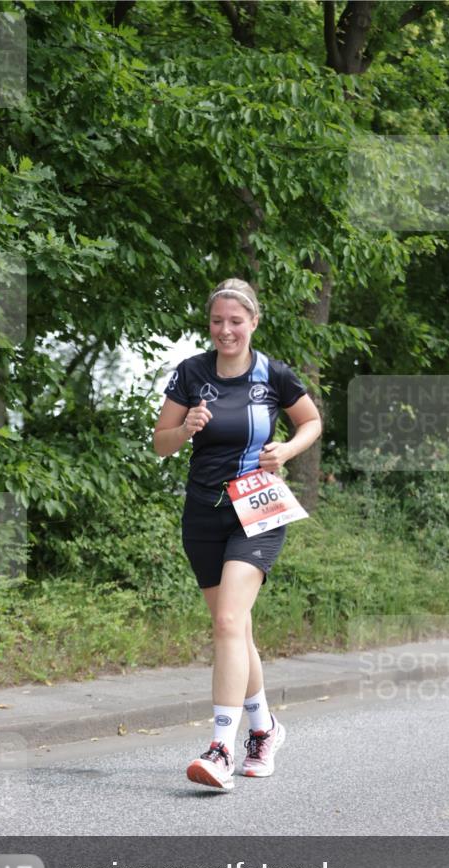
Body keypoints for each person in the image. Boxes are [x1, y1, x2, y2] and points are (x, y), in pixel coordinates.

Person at [153, 278, 322, 790]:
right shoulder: (191, 373)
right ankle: (265, 728)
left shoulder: (274, 374)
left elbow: (312, 421)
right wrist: (186, 429)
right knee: (236, 629)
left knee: (228, 620)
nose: (225, 330)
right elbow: (161, 444)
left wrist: (288, 451)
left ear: (253, 322)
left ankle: (221, 748)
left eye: (235, 321)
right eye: (216, 321)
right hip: (203, 514)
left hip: (258, 509)